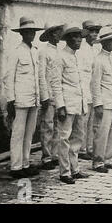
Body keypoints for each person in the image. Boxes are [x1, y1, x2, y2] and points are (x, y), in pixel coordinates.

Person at [50, 23, 91, 184]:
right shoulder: (60, 57)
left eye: (79, 37)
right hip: (66, 105)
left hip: (79, 103)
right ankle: (64, 172)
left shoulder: (77, 57)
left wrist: (84, 103)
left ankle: (75, 169)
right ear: (66, 39)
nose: (78, 40)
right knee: (64, 138)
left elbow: (82, 82)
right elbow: (56, 83)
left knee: (78, 138)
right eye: (74, 37)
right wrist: (60, 105)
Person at [5, 17, 43, 179]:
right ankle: (16, 166)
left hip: (33, 98)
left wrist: (40, 97)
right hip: (20, 99)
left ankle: (25, 164)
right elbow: (8, 77)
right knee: (18, 134)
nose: (31, 35)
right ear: (22, 34)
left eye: (32, 32)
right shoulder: (16, 52)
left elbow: (37, 77)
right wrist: (10, 100)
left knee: (29, 134)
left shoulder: (35, 51)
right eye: (27, 32)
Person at [91, 27, 112, 173]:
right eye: (109, 41)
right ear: (103, 43)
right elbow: (95, 84)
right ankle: (98, 161)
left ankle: (108, 158)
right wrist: (98, 103)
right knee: (102, 133)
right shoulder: (98, 60)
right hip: (104, 101)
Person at [38, 22, 63, 170]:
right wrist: (44, 96)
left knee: (57, 126)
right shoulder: (44, 52)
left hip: (58, 93)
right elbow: (42, 75)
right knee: (47, 126)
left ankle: (54, 155)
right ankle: (46, 157)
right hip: (48, 93)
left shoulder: (58, 52)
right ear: (53, 34)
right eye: (58, 32)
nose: (61, 35)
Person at [77, 20, 102, 161]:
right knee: (83, 122)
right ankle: (81, 149)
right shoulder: (81, 49)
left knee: (93, 122)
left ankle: (90, 147)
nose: (94, 34)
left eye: (96, 32)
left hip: (94, 89)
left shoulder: (96, 49)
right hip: (84, 89)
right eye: (91, 31)